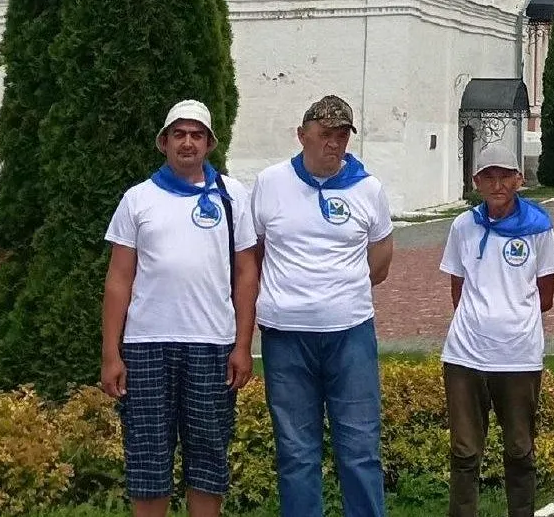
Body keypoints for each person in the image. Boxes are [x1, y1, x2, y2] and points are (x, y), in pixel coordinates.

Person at [101, 99, 260, 517]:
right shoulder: (138, 199)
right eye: (179, 134)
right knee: (148, 458)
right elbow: (119, 278)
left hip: (212, 344)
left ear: (209, 143)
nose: (187, 142)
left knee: (208, 458)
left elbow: (246, 272)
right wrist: (111, 353)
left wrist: (243, 345)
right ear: (164, 142)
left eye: (196, 135)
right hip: (146, 344)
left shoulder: (232, 195)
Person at [252, 95, 397, 517]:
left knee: (360, 448)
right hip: (285, 335)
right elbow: (255, 254)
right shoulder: (270, 182)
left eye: (341, 135)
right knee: (296, 452)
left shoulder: (367, 188)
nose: (333, 144)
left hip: (349, 333)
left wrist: (338, 291)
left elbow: (381, 260)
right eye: (324, 134)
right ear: (302, 135)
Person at [440, 142, 554, 517]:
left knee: (520, 449)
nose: (497, 185)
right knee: (464, 451)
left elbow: (545, 295)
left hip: (518, 356)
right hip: (465, 356)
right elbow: (457, 287)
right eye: (488, 177)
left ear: (519, 179)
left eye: (505, 176)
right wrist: (480, 322)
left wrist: (510, 319)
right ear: (477, 181)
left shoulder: (539, 227)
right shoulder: (463, 226)